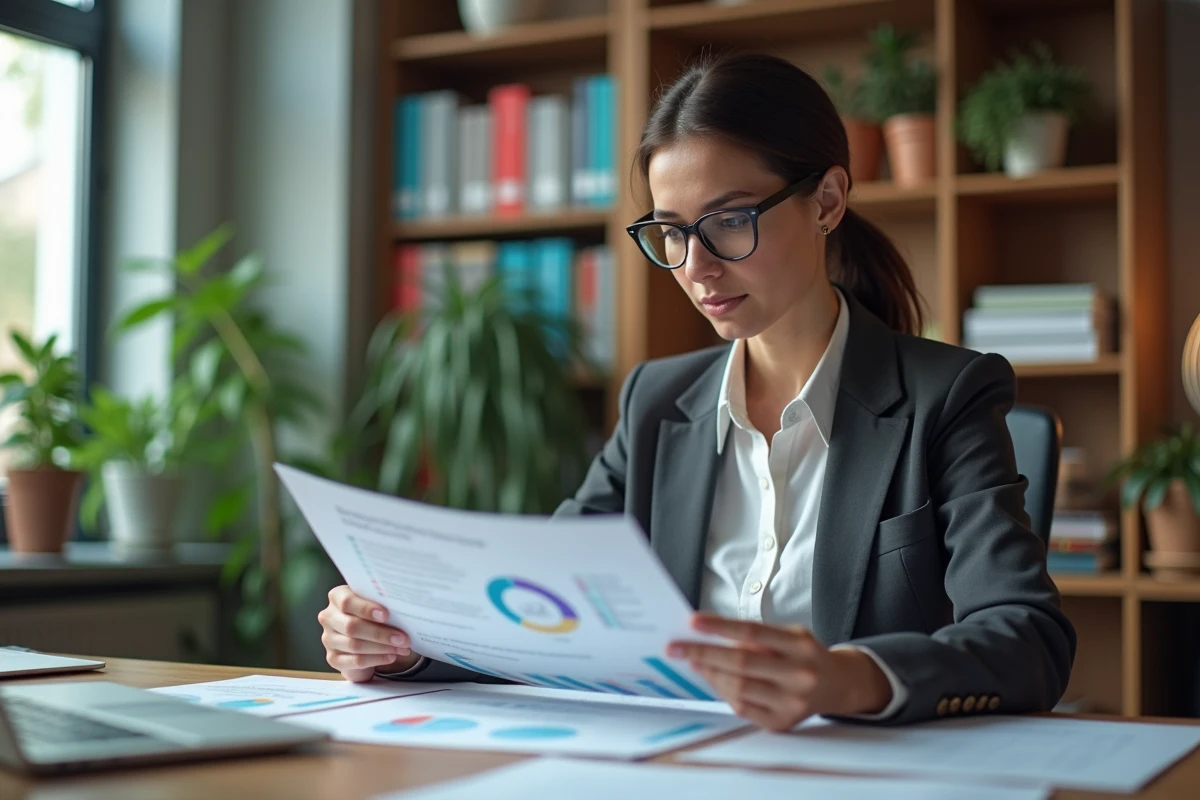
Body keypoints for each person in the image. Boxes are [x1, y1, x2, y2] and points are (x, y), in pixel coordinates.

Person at [318, 52, 1076, 729]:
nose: (696, 267)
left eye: (729, 221)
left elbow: (1025, 636)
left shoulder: (946, 396)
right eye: (672, 232)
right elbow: (547, 612)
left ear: (827, 201)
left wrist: (849, 677)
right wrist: (402, 642)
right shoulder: (657, 402)